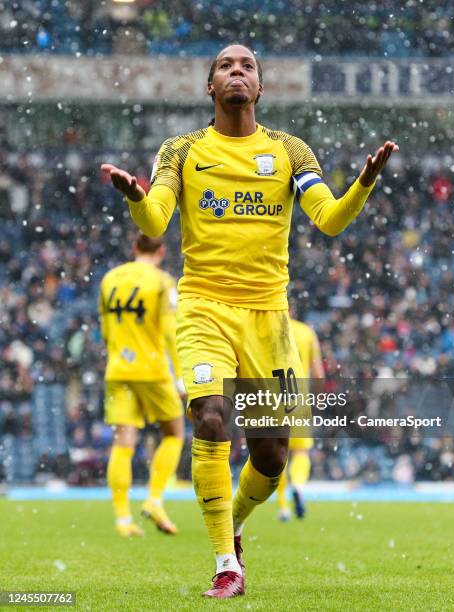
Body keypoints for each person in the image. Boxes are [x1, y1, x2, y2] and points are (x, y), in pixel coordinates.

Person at [101, 43, 398, 597]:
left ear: (260, 87)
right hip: (202, 307)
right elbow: (158, 219)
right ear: (209, 86)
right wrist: (136, 198)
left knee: (271, 455)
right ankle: (224, 564)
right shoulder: (182, 149)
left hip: (267, 318)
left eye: (248, 66)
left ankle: (234, 523)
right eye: (225, 66)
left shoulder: (289, 151)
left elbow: (329, 221)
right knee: (210, 418)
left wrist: (363, 184)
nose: (237, 71)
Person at [99, 233, 185, 537]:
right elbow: (170, 332)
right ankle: (154, 499)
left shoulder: (110, 278)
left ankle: (123, 519)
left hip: (118, 367)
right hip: (152, 368)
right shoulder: (162, 282)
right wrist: (181, 375)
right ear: (161, 251)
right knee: (174, 433)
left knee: (123, 442)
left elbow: (106, 329)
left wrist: (118, 354)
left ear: (134, 247)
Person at [276, 312, 325, 521]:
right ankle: (297, 484)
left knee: (277, 454)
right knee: (301, 452)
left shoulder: (271, 330)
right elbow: (318, 374)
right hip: (298, 394)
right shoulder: (306, 332)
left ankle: (283, 507)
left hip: (272, 394)